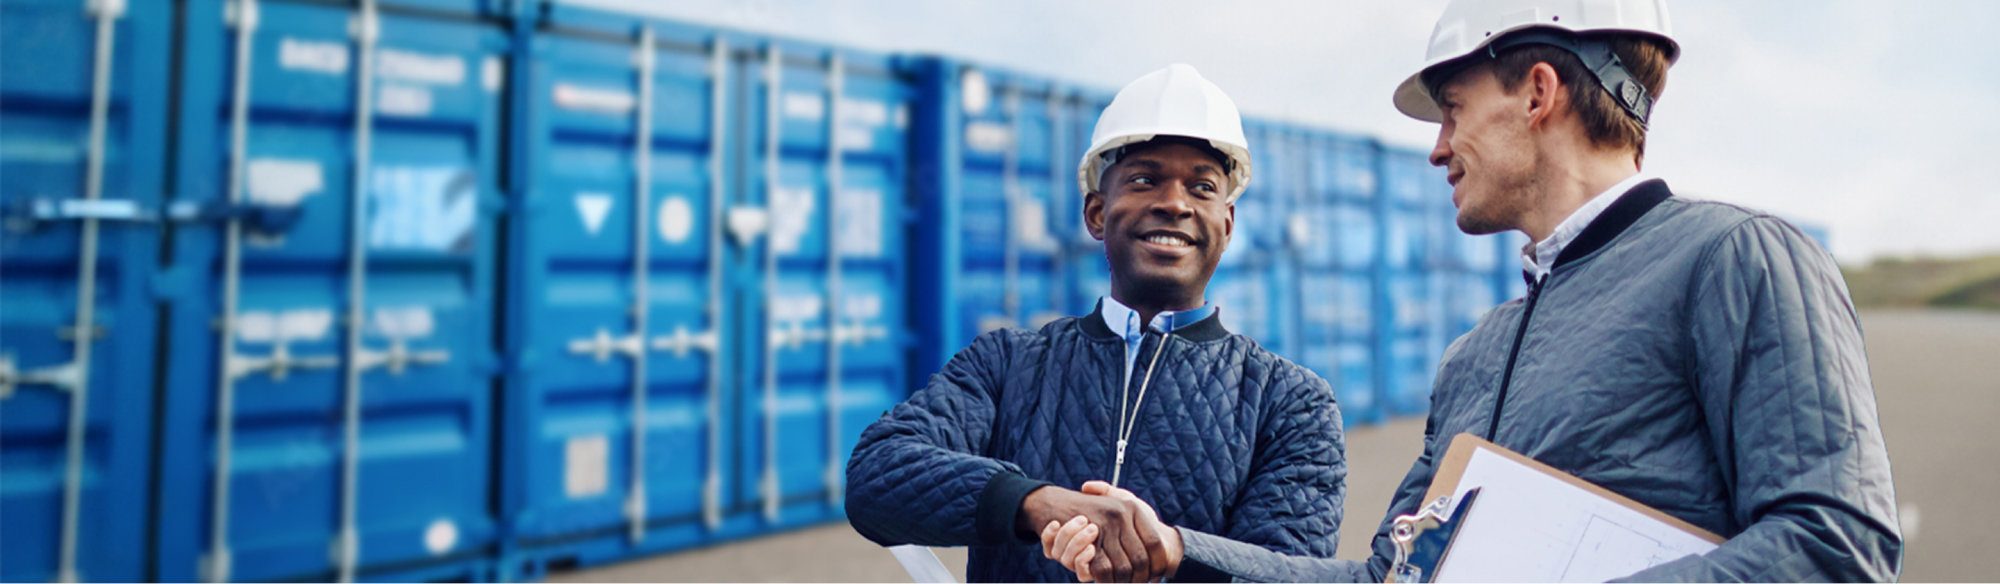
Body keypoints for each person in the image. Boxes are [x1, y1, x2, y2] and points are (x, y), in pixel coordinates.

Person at [1042, 0, 1903, 581]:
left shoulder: (1738, 259)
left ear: (1537, 92)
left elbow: (1837, 543)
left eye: (1452, 109)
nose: (1438, 145)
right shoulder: (1476, 354)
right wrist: (1180, 549)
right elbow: (1391, 576)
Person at [843, 63, 1346, 583]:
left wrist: (1165, 551)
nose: (1174, 203)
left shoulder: (1290, 401)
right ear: (1097, 213)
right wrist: (1037, 504)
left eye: (1201, 187)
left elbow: (1290, 571)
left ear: (1228, 223)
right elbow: (876, 475)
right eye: (1145, 179)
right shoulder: (1006, 363)